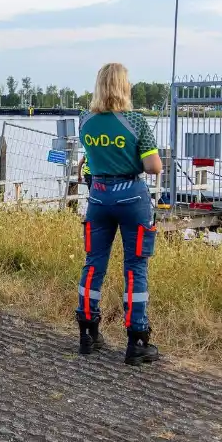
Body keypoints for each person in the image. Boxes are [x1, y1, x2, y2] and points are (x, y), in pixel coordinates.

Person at [76, 62, 163, 366]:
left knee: (93, 263)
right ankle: (137, 339)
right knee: (134, 267)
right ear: (125, 86)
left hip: (98, 197)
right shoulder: (136, 122)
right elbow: (154, 167)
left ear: (99, 86)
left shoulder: (85, 120)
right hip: (131, 197)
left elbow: (91, 158)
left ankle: (88, 333)